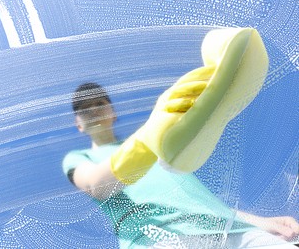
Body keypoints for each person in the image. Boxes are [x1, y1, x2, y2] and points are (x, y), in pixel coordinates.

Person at [63, 82, 299, 248]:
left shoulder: (158, 148)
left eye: (99, 103)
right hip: (158, 238)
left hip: (230, 230)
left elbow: (201, 201)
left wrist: (263, 222)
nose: (93, 109)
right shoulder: (79, 157)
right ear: (78, 124)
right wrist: (154, 129)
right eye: (84, 109)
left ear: (112, 112)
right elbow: (98, 185)